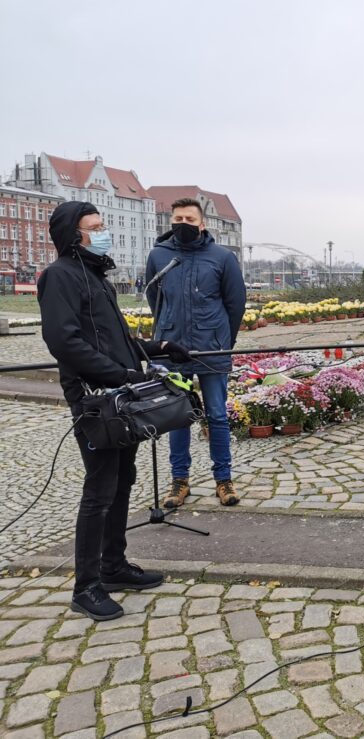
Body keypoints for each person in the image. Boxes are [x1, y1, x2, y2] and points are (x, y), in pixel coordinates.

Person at [38, 201, 191, 620]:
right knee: (100, 488)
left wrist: (156, 347)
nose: (103, 232)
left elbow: (114, 340)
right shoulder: (59, 277)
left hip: (119, 394)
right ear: (73, 235)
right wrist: (119, 374)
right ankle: (85, 586)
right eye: (95, 227)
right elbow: (65, 343)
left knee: (124, 478)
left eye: (103, 225)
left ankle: (113, 566)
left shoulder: (94, 275)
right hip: (94, 398)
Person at [146, 198, 246, 510]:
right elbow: (155, 298)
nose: (183, 223)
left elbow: (235, 303)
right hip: (173, 349)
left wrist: (222, 339)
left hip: (211, 348)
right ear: (170, 221)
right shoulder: (159, 255)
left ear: (202, 224)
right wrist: (168, 330)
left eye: (190, 218)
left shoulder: (222, 257)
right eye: (178, 218)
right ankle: (179, 480)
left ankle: (224, 478)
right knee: (177, 416)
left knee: (216, 415)